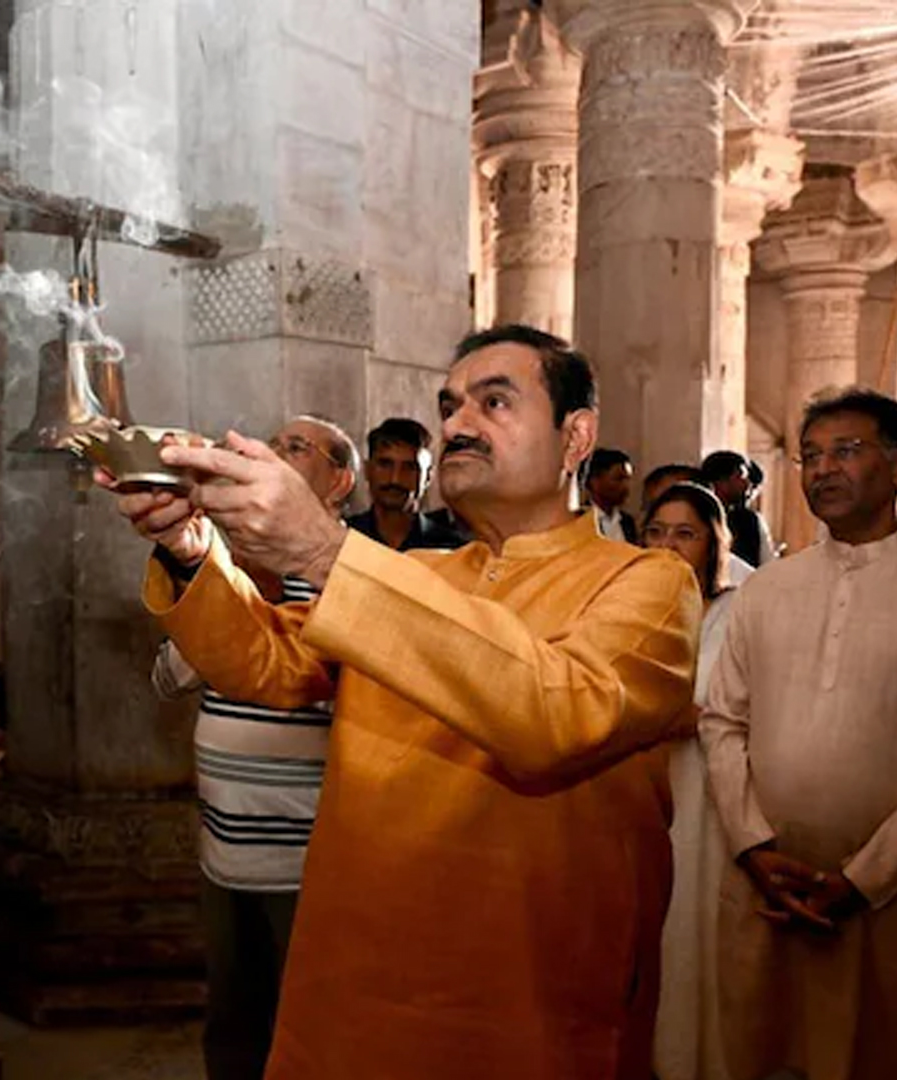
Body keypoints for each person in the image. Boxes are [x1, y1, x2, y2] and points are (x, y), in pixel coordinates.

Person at [107, 323, 700, 1079]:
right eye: (450, 405)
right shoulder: (424, 569)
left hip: (521, 994)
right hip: (357, 970)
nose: (456, 424)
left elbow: (559, 715)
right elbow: (267, 663)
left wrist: (324, 551)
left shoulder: (646, 583)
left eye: (494, 401)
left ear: (576, 436)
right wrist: (193, 550)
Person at [146, 415, 355, 1079]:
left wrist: (267, 621)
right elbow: (165, 679)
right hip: (225, 854)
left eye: (299, 446)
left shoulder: (354, 580)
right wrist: (224, 609)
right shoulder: (231, 567)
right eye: (279, 441)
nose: (278, 452)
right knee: (234, 1023)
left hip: (307, 862)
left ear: (339, 480)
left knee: (311, 1030)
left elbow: (340, 688)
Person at [699, 387, 897, 1080]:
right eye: (810, 456)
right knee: (760, 1054)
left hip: (879, 903)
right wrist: (752, 845)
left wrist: (863, 878)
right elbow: (722, 721)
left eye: (847, 451)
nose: (822, 470)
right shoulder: (769, 590)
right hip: (765, 889)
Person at [643, 483, 741, 1080]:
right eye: (655, 531)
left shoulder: (737, 612)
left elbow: (747, 706)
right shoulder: (619, 609)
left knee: (692, 934)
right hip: (633, 788)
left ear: (712, 544)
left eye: (685, 533)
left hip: (704, 792)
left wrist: (691, 716)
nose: (668, 546)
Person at [344, 418, 468, 552]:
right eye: (385, 464)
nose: (395, 479)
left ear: (427, 477)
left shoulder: (451, 550)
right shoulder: (343, 540)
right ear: (367, 470)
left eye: (410, 468)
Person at [701, 451, 775, 568]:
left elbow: (768, 567)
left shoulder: (750, 521)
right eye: (742, 476)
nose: (748, 483)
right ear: (722, 481)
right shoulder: (697, 516)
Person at [585, 447, 638, 542]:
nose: (625, 486)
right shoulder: (580, 521)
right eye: (618, 479)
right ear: (595, 481)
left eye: (627, 479)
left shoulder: (627, 522)